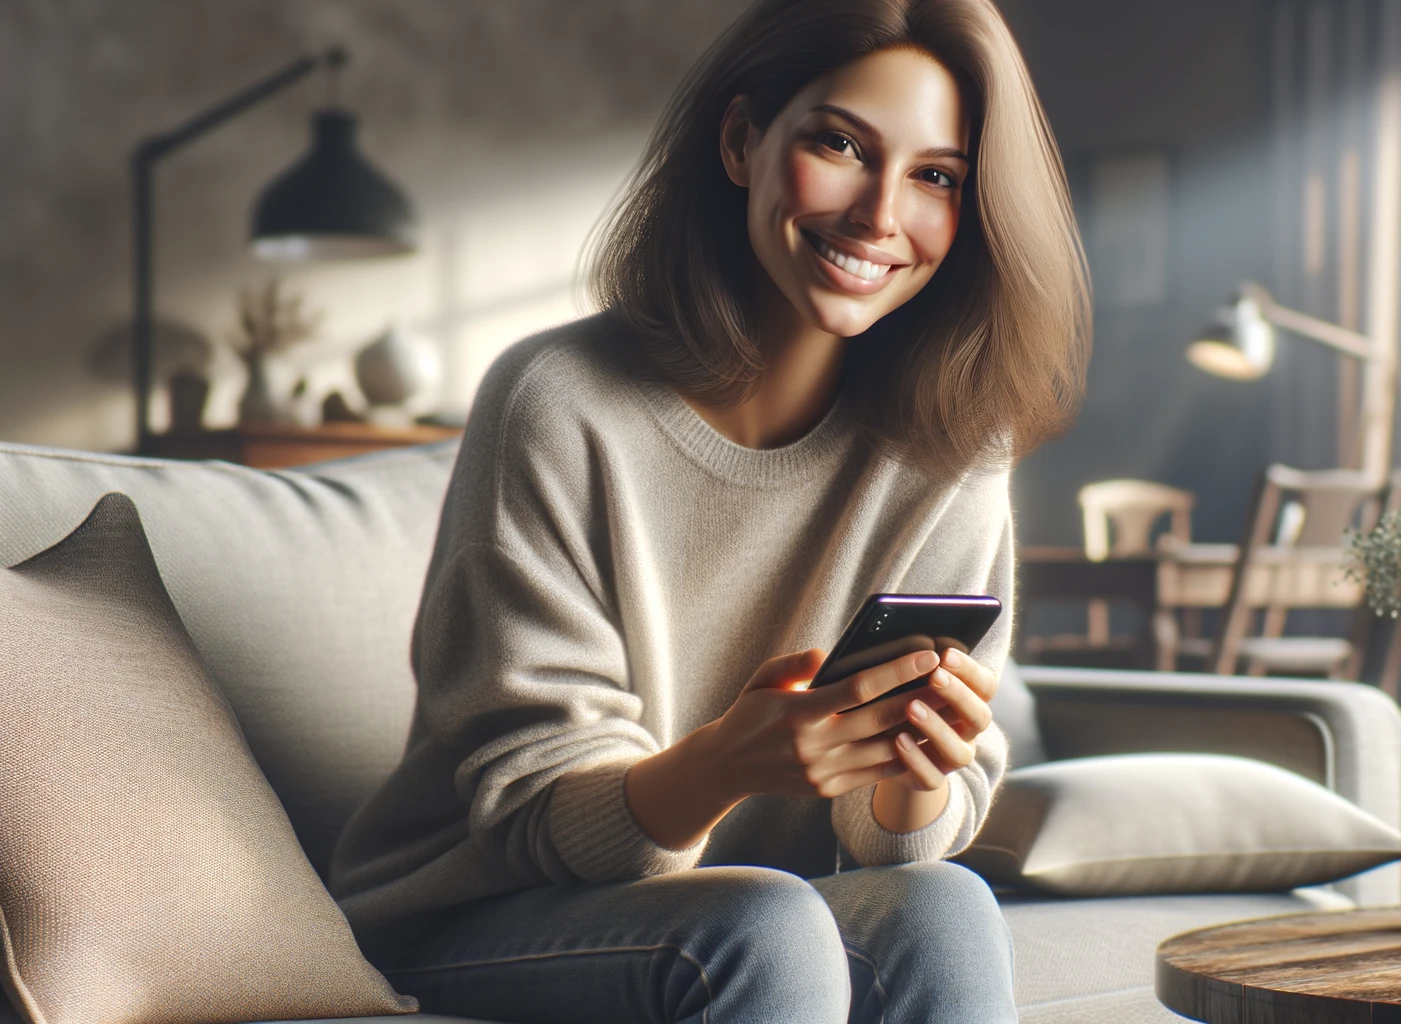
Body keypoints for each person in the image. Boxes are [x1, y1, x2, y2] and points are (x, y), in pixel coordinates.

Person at [329, 0, 1089, 1020]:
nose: (879, 214)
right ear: (741, 142)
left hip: (741, 917)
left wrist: (914, 775)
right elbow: (528, 813)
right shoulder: (558, 399)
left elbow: (895, 841)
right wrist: (732, 758)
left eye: (936, 177)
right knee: (760, 925)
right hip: (480, 914)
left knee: (941, 903)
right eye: (839, 145)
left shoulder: (952, 447)